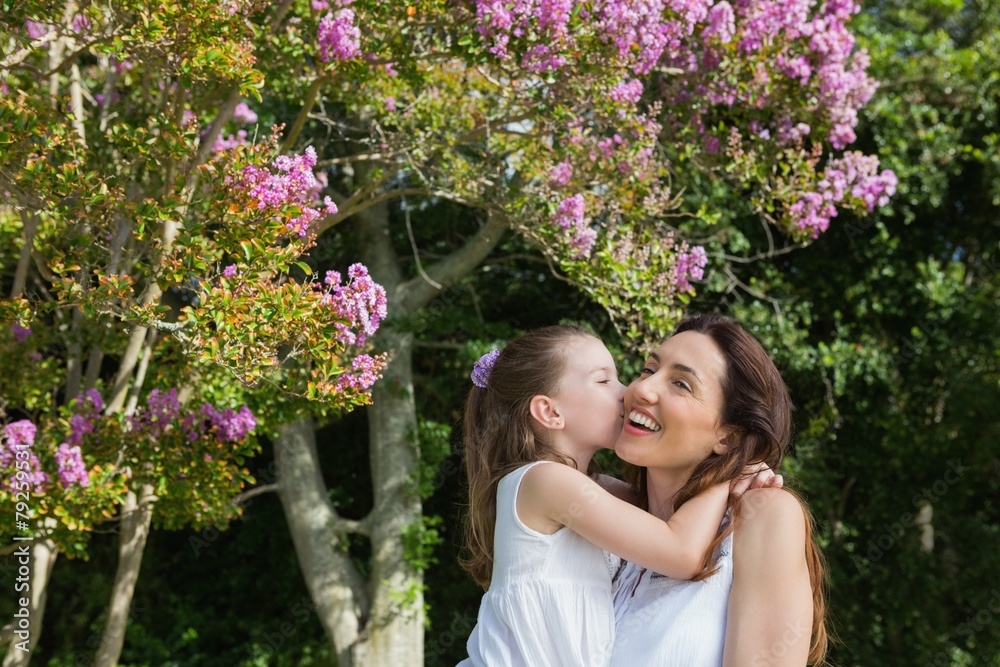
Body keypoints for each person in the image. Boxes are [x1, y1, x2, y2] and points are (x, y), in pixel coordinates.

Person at [457, 325, 775, 666]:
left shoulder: (590, 487)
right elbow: (681, 552)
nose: (629, 391)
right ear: (551, 412)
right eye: (604, 380)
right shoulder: (543, 481)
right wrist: (727, 467)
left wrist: (737, 461)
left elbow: (664, 515)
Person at [610, 314, 827, 667]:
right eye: (649, 370)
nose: (643, 389)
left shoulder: (762, 515)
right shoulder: (603, 517)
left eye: (681, 384)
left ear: (729, 435)